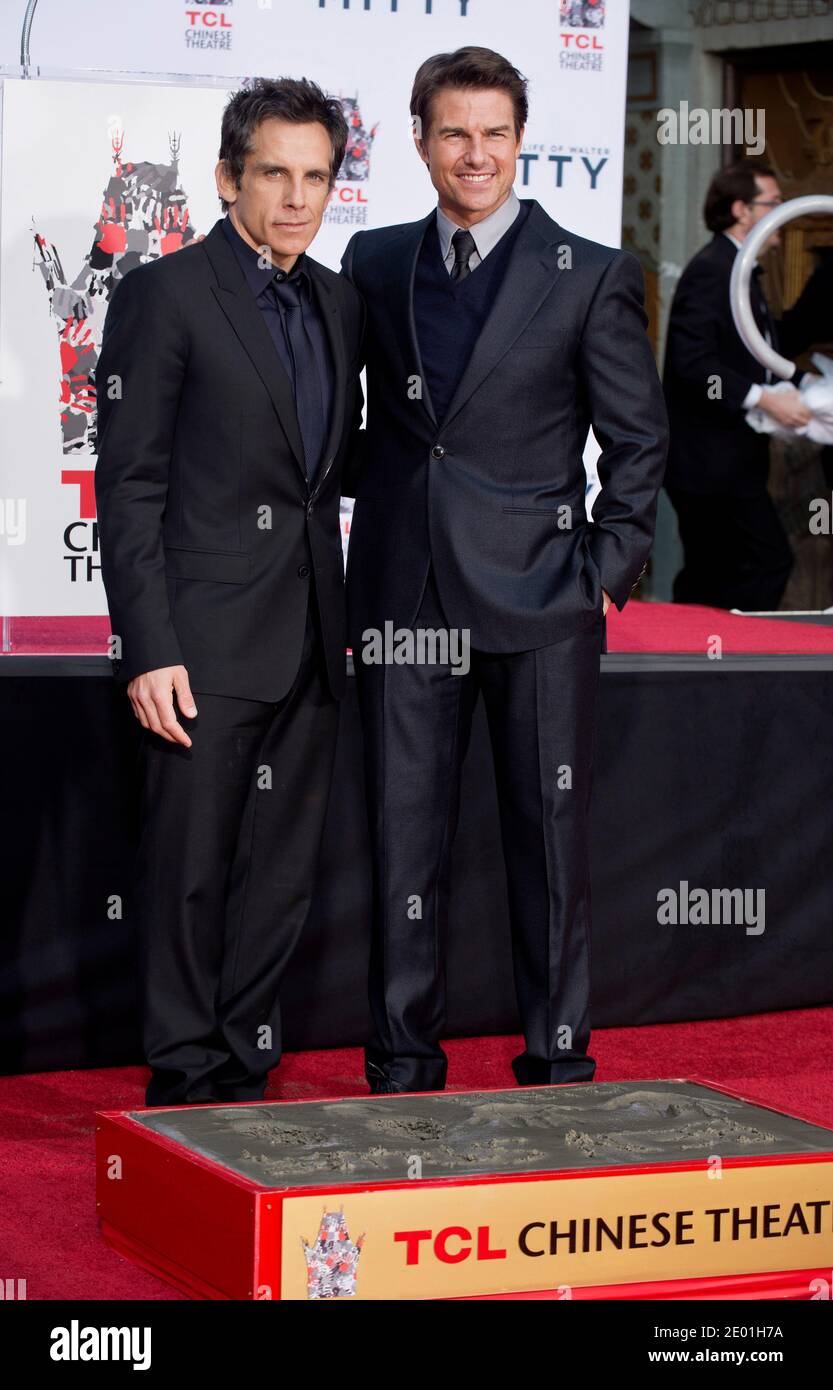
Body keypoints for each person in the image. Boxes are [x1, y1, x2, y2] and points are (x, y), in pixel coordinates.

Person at [341, 46, 668, 1095]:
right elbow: (359, 426)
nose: (473, 154)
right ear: (420, 141)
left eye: (492, 133)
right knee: (401, 846)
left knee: (550, 843)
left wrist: (602, 573)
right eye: (453, 133)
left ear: (520, 140)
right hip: (404, 596)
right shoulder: (374, 260)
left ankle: (557, 1057)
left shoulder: (591, 272)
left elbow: (636, 442)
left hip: (541, 597)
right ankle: (401, 1063)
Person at [95, 77, 364, 1106]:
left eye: (315, 177)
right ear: (225, 178)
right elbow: (130, 484)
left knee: (278, 878)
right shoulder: (164, 295)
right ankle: (182, 1077)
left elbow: (325, 469)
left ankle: (244, 1071)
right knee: (189, 872)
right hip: (200, 645)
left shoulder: (338, 300)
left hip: (312, 638)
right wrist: (148, 645)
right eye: (273, 174)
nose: (296, 198)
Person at [663, 158, 811, 611]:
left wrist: (806, 384)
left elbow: (758, 353)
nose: (782, 213)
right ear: (741, 210)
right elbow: (693, 365)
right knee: (758, 563)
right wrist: (765, 399)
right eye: (773, 203)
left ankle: (703, 648)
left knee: (716, 574)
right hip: (708, 463)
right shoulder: (714, 269)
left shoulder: (741, 270)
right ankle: (718, 649)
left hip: (730, 462)